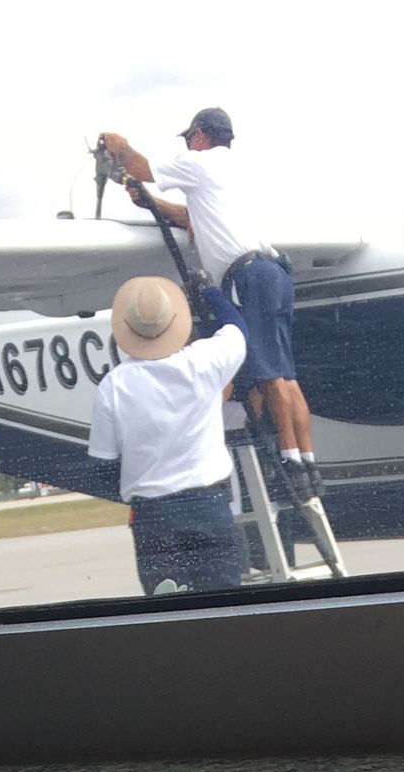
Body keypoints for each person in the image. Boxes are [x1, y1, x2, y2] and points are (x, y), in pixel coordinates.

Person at [98, 109, 320, 500]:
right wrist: (150, 202)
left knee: (268, 376)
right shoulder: (233, 173)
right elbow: (191, 220)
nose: (186, 146)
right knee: (286, 375)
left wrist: (116, 145)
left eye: (188, 138)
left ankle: (288, 463)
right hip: (274, 274)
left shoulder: (199, 162)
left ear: (200, 136)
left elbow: (138, 165)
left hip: (247, 276)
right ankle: (307, 464)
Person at [88, 274, 248, 597]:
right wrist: (210, 292)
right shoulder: (204, 361)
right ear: (175, 323)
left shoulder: (113, 387)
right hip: (209, 504)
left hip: (155, 516)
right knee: (226, 612)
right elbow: (237, 328)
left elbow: (103, 466)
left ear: (128, 330)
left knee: (168, 616)